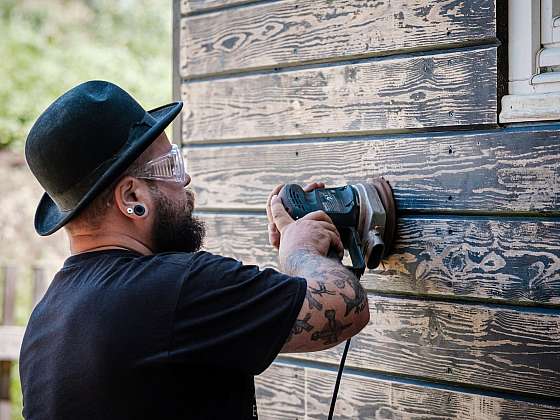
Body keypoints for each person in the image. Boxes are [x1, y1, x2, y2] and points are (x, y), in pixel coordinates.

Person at [19, 80, 370, 419]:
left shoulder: (44, 323)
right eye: (170, 166)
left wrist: (295, 259)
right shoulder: (174, 288)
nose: (184, 180)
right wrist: (301, 253)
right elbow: (343, 308)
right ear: (132, 198)